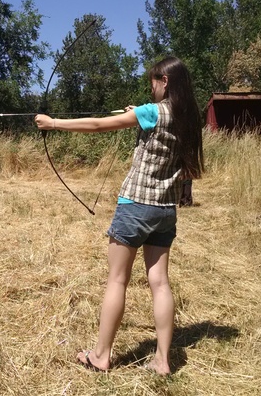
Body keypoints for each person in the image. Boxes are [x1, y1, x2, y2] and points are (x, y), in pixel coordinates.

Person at [35, 56, 204, 375]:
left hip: (135, 207)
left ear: (164, 81)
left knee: (117, 279)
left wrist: (53, 123)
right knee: (160, 283)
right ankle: (163, 360)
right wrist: (135, 114)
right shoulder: (188, 117)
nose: (151, 87)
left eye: (154, 81)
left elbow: (98, 125)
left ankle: (101, 356)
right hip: (165, 210)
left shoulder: (152, 111)